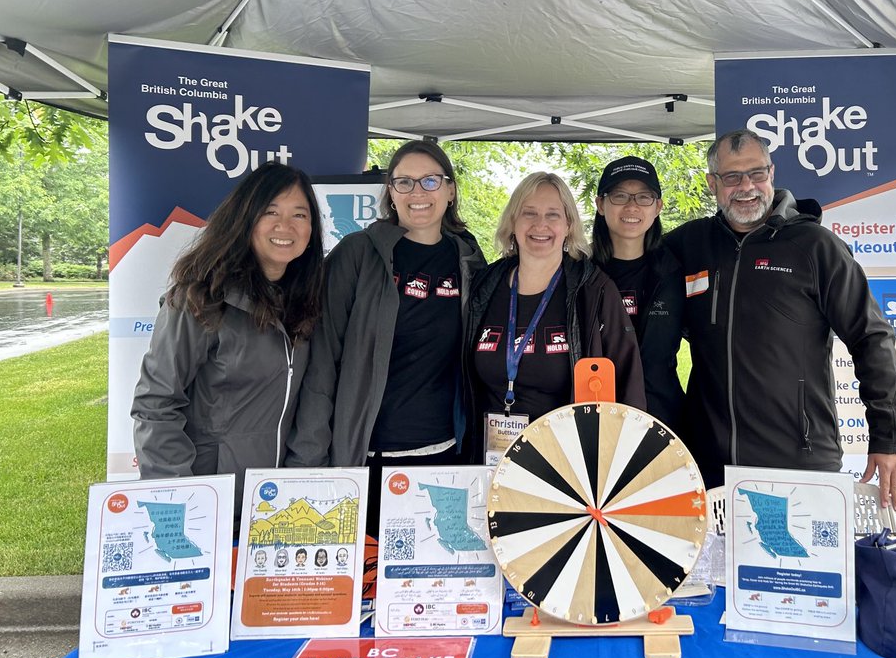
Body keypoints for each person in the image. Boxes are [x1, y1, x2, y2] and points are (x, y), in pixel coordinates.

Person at [664, 129, 896, 507]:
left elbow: (870, 337)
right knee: (714, 567)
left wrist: (889, 436)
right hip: (708, 465)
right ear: (713, 183)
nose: (747, 186)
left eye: (757, 173)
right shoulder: (689, 245)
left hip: (798, 460)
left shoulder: (815, 246)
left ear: (772, 173)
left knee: (794, 564)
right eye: (732, 177)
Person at [286, 140, 486, 532]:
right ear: (390, 193)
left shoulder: (469, 261)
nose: (418, 193)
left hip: (444, 455)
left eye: (430, 181)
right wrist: (310, 459)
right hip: (366, 455)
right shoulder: (358, 254)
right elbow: (322, 359)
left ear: (450, 190)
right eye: (404, 182)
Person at [131, 161, 324, 505]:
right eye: (270, 212)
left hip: (277, 502)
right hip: (211, 499)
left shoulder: (306, 302)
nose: (285, 226)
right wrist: (179, 497)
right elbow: (156, 404)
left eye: (300, 215)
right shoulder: (200, 299)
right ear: (245, 219)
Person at [465, 173, 646, 463]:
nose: (540, 225)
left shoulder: (594, 290)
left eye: (553, 215)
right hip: (491, 461)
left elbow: (627, 381)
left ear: (568, 225)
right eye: (529, 213)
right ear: (513, 221)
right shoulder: (484, 286)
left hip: (568, 467)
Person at [590, 156, 684, 427]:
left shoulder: (676, 272)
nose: (632, 205)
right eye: (619, 196)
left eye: (644, 197)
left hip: (662, 420)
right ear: (600, 204)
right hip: (596, 419)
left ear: (658, 207)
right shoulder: (580, 276)